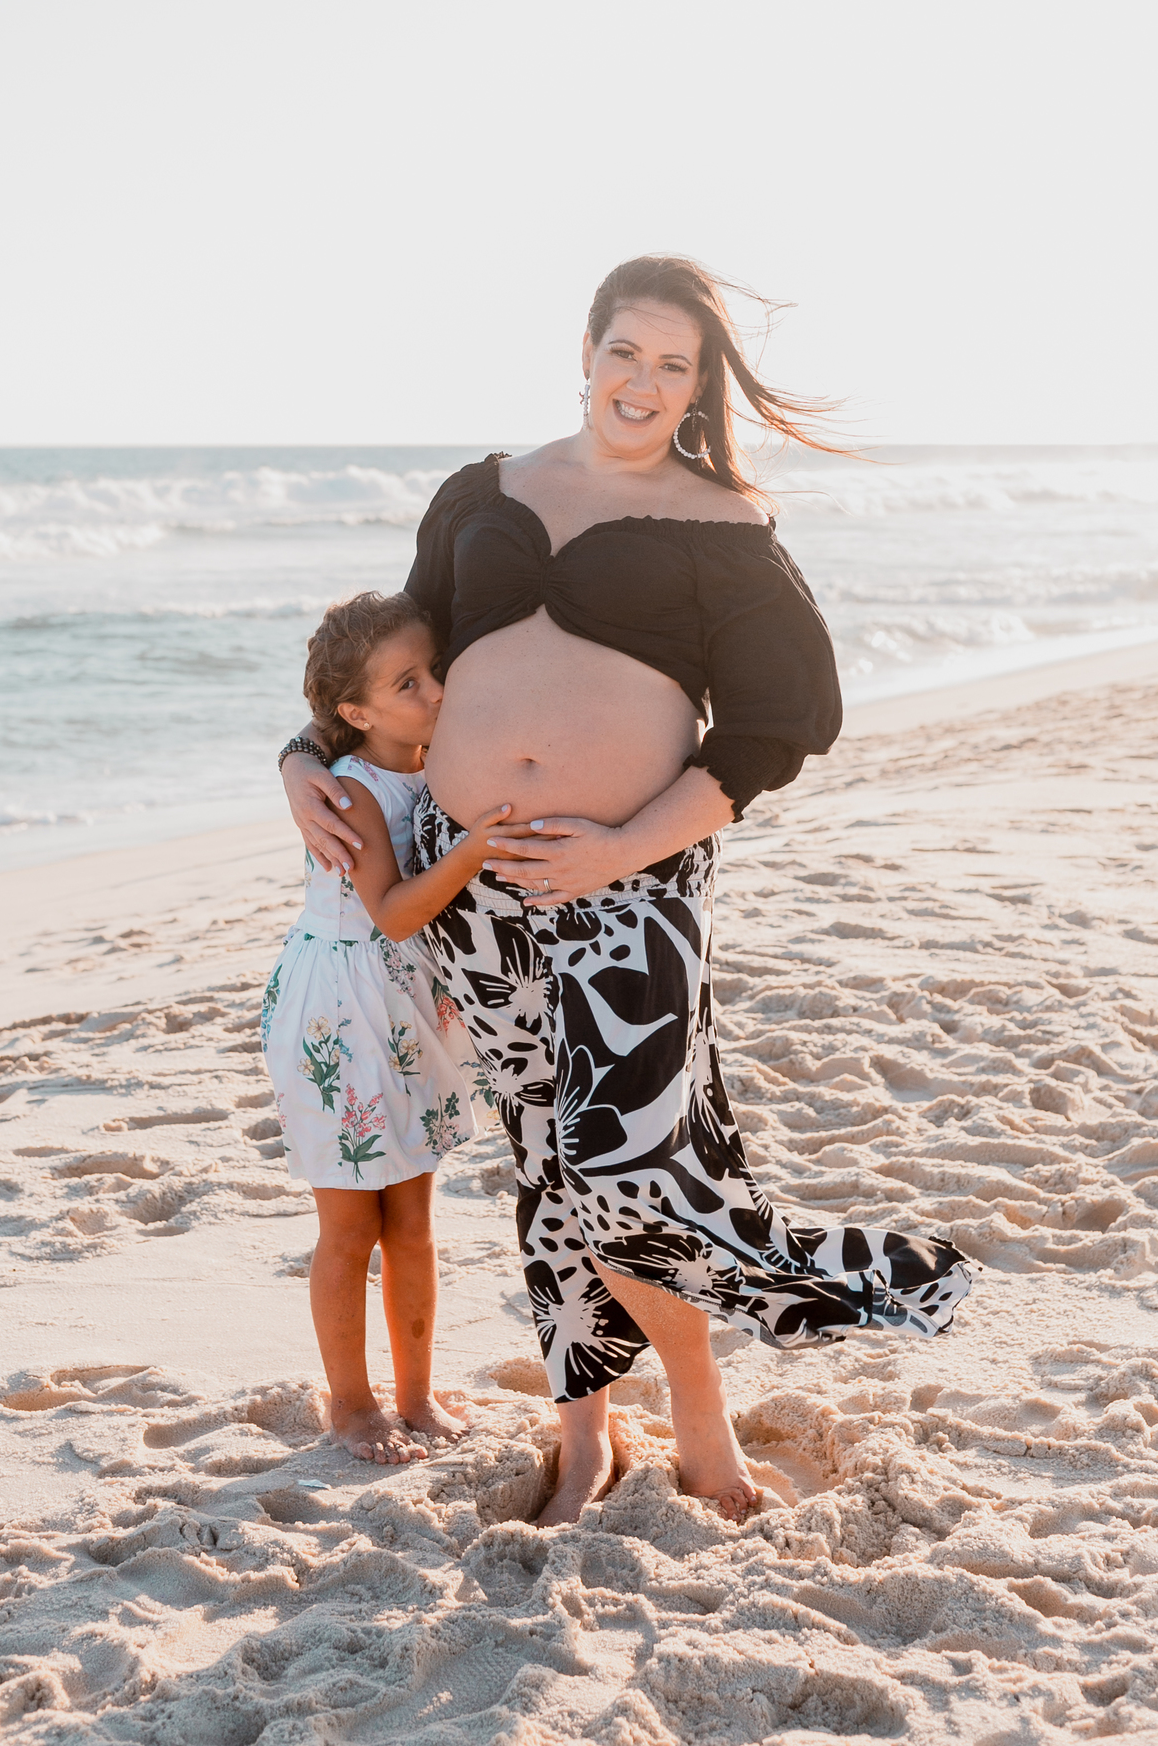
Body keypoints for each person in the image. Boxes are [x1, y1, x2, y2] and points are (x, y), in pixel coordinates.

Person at [280, 256, 978, 1520]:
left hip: (631, 883)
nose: (643, 383)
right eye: (626, 353)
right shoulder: (477, 495)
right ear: (586, 351)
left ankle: (705, 1429)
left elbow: (779, 727)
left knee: (629, 1168)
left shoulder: (725, 526)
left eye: (675, 364)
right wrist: (300, 759)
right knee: (546, 1158)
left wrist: (618, 850)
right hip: (473, 885)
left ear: (700, 384)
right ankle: (587, 1433)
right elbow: (390, 666)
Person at [263, 591, 505, 1463]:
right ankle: (351, 1403)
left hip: (406, 1006)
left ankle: (415, 1392)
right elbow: (397, 912)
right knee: (349, 1226)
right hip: (342, 1005)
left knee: (412, 1218)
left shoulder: (433, 756)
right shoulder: (353, 790)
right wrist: (474, 849)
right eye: (409, 683)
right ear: (355, 713)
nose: (436, 690)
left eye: (435, 669)